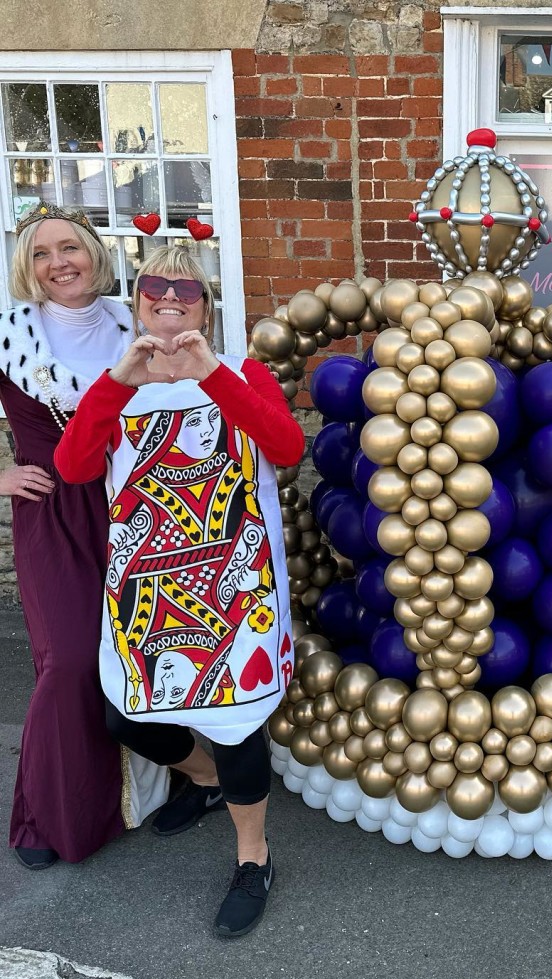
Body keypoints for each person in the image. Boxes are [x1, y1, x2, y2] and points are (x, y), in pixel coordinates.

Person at [55, 246, 305, 938]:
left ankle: (253, 856)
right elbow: (74, 466)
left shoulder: (242, 371)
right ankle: (203, 780)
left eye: (184, 289)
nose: (169, 300)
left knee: (236, 721)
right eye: (154, 288)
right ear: (136, 301)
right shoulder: (117, 381)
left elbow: (284, 449)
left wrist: (212, 374)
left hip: (232, 577)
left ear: (206, 302)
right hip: (142, 585)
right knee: (126, 715)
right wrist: (116, 382)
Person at [3, 203, 167, 870]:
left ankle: (150, 791)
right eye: (42, 254)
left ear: (96, 253)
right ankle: (49, 812)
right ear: (28, 268)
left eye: (69, 247)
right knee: (69, 659)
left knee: (141, 653)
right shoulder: (9, 333)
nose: (58, 263)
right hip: (54, 514)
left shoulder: (140, 326)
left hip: (138, 509)